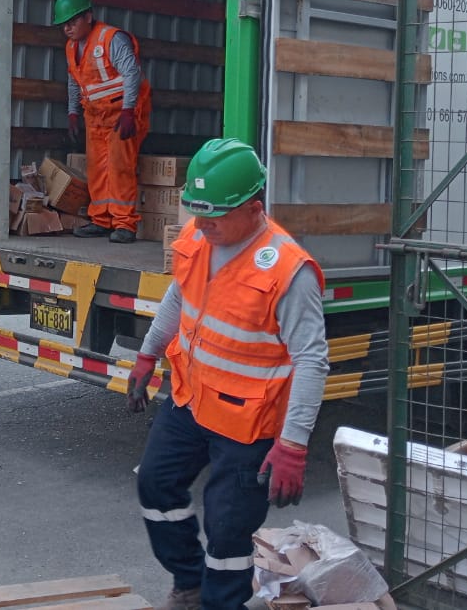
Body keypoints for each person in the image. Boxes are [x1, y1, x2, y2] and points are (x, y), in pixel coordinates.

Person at [124, 138, 329, 610]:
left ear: (254, 209)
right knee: (155, 484)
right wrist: (148, 354)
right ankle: (190, 582)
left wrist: (293, 445)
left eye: (213, 216)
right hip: (191, 400)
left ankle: (220, 604)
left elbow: (312, 361)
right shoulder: (200, 237)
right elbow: (180, 296)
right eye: (197, 213)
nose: (201, 225)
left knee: (228, 530)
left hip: (248, 424)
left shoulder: (287, 270)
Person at [54, 0, 152, 243]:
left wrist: (129, 110)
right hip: (95, 116)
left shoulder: (111, 38)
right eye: (64, 24)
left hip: (122, 113)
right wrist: (73, 112)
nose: (68, 28)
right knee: (97, 168)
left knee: (120, 167)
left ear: (88, 16)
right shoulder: (71, 47)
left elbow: (131, 74)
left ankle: (125, 224)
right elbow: (74, 81)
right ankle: (101, 219)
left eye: (72, 21)